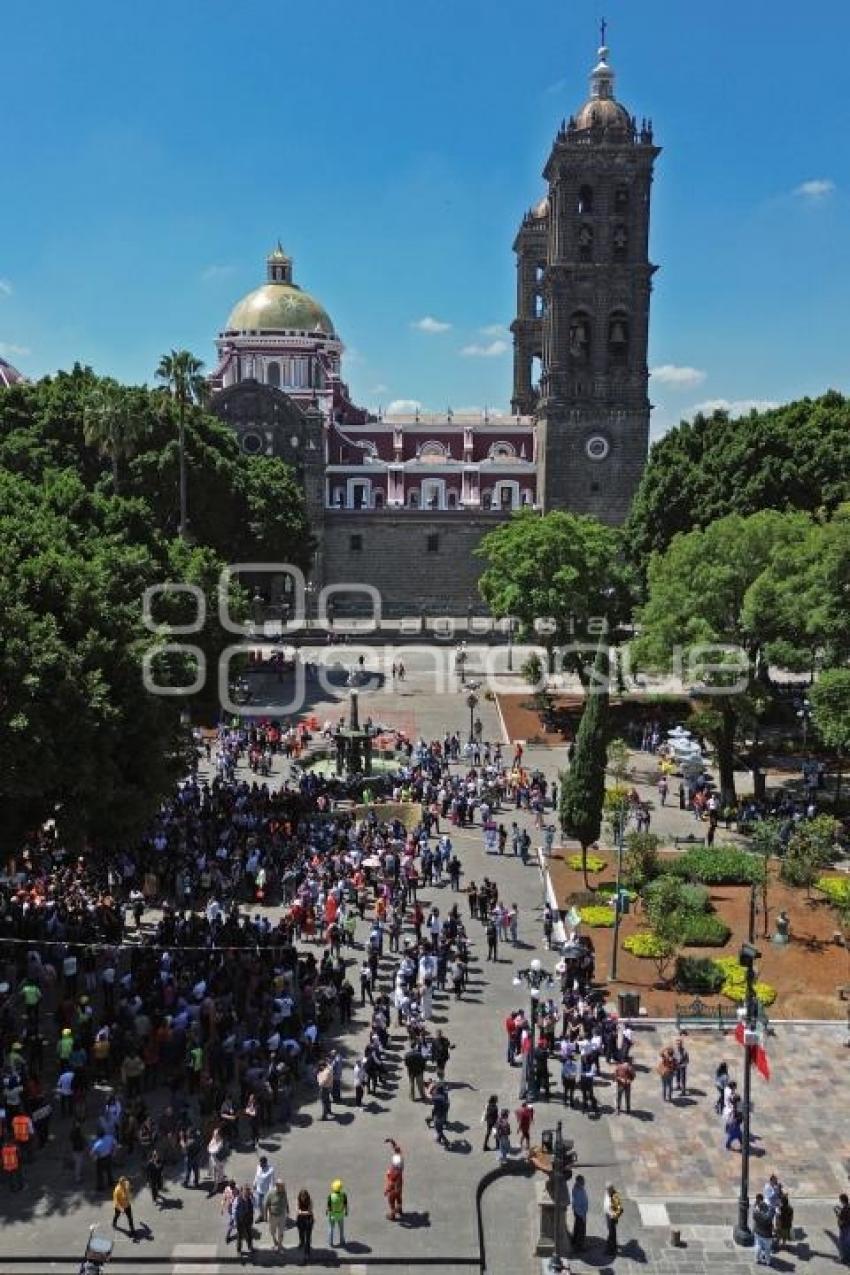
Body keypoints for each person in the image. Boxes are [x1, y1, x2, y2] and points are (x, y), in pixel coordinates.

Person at [384, 1138, 404, 1221]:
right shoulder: (400, 1158)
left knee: (391, 1201)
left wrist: (387, 1190)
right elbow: (396, 1148)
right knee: (399, 1197)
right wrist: (392, 1141)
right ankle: (399, 1209)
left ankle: (392, 1215)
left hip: (394, 1187)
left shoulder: (394, 1171)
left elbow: (391, 1182)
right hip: (399, 1184)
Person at [266, 1180, 289, 1252]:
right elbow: (266, 1204)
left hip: (282, 1215)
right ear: (277, 1186)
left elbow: (286, 1201)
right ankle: (274, 1239)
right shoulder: (270, 1193)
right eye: (282, 1186)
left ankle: (279, 1246)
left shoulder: (284, 1192)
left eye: (283, 1186)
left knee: (281, 1231)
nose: (283, 1188)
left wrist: (288, 1209)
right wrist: (265, 1215)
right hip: (273, 1216)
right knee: (272, 1231)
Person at [752, 1192, 774, 1266]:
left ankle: (757, 1259)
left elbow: (755, 1211)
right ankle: (768, 1261)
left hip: (758, 1233)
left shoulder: (756, 1214)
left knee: (758, 1246)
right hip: (767, 1235)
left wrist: (756, 1206)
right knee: (767, 1249)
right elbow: (772, 1212)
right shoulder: (768, 1217)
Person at [234, 1183, 255, 1257]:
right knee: (240, 1236)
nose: (247, 1192)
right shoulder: (238, 1199)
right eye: (246, 1191)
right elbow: (234, 1210)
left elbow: (253, 1207)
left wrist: (252, 1218)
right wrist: (235, 1221)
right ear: (242, 1191)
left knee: (249, 1234)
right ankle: (239, 1250)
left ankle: (250, 1247)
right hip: (240, 1220)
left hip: (248, 1219)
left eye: (248, 1191)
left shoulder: (250, 1198)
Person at [327, 1177, 348, 1247]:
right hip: (340, 1214)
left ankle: (330, 1242)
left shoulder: (330, 1196)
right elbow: (345, 1205)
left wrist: (328, 1212)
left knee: (331, 1229)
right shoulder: (343, 1195)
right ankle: (342, 1241)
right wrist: (346, 1211)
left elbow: (329, 1206)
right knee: (341, 1229)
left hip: (332, 1214)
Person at [604, 1182, 623, 1256]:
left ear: (611, 1189)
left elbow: (620, 1209)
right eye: (606, 1189)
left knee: (612, 1234)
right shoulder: (607, 1193)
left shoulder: (615, 1197)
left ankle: (611, 1250)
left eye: (608, 1189)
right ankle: (611, 1245)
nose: (607, 1191)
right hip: (607, 1215)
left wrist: (614, 1216)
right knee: (611, 1232)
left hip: (612, 1218)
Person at [297, 1188, 315, 1263]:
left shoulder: (310, 1201)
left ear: (307, 1196)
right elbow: (298, 1211)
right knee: (301, 1234)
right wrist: (303, 1212)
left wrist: (302, 1212)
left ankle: (307, 1252)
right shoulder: (298, 1200)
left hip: (308, 1220)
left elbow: (310, 1212)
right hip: (300, 1220)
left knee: (308, 1237)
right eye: (302, 1196)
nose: (303, 1197)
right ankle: (301, 1243)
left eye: (304, 1196)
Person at [571, 1174, 588, 1250]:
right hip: (580, 1213)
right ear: (579, 1182)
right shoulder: (578, 1191)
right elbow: (579, 1204)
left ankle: (574, 1241)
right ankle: (580, 1246)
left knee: (577, 1227)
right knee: (581, 1230)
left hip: (578, 1212)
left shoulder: (578, 1188)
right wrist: (583, 1215)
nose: (584, 1182)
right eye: (582, 1181)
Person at [834, 1192, 850, 1264]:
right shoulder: (848, 1207)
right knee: (847, 1243)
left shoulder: (844, 1211)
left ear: (842, 1200)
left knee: (842, 1244)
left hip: (844, 1229)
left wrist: (838, 1214)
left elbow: (841, 1222)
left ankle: (843, 1259)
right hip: (848, 1228)